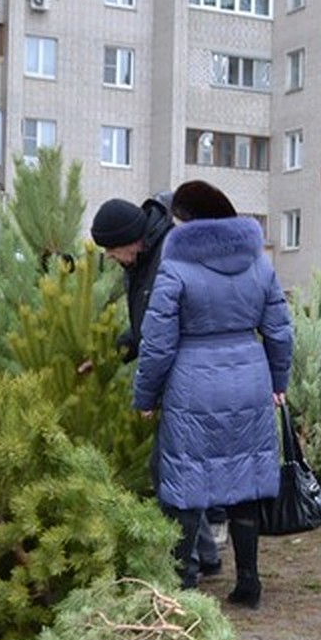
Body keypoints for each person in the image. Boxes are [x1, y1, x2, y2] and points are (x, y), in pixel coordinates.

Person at [132, 180, 294, 608]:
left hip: (193, 386)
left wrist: (145, 396)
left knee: (185, 483)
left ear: (184, 221)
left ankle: (183, 587)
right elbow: (279, 330)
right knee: (245, 483)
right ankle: (249, 583)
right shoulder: (260, 265)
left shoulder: (176, 267)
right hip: (250, 381)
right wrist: (279, 383)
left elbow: (158, 343)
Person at [90, 194, 225, 580]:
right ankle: (205, 558)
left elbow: (166, 334)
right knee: (176, 470)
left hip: (196, 378)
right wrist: (111, 353)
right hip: (183, 377)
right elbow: (147, 326)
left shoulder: (171, 257)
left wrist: (146, 395)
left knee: (173, 471)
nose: (112, 259)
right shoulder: (144, 258)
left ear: (131, 238)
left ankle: (183, 574)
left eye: (112, 251)